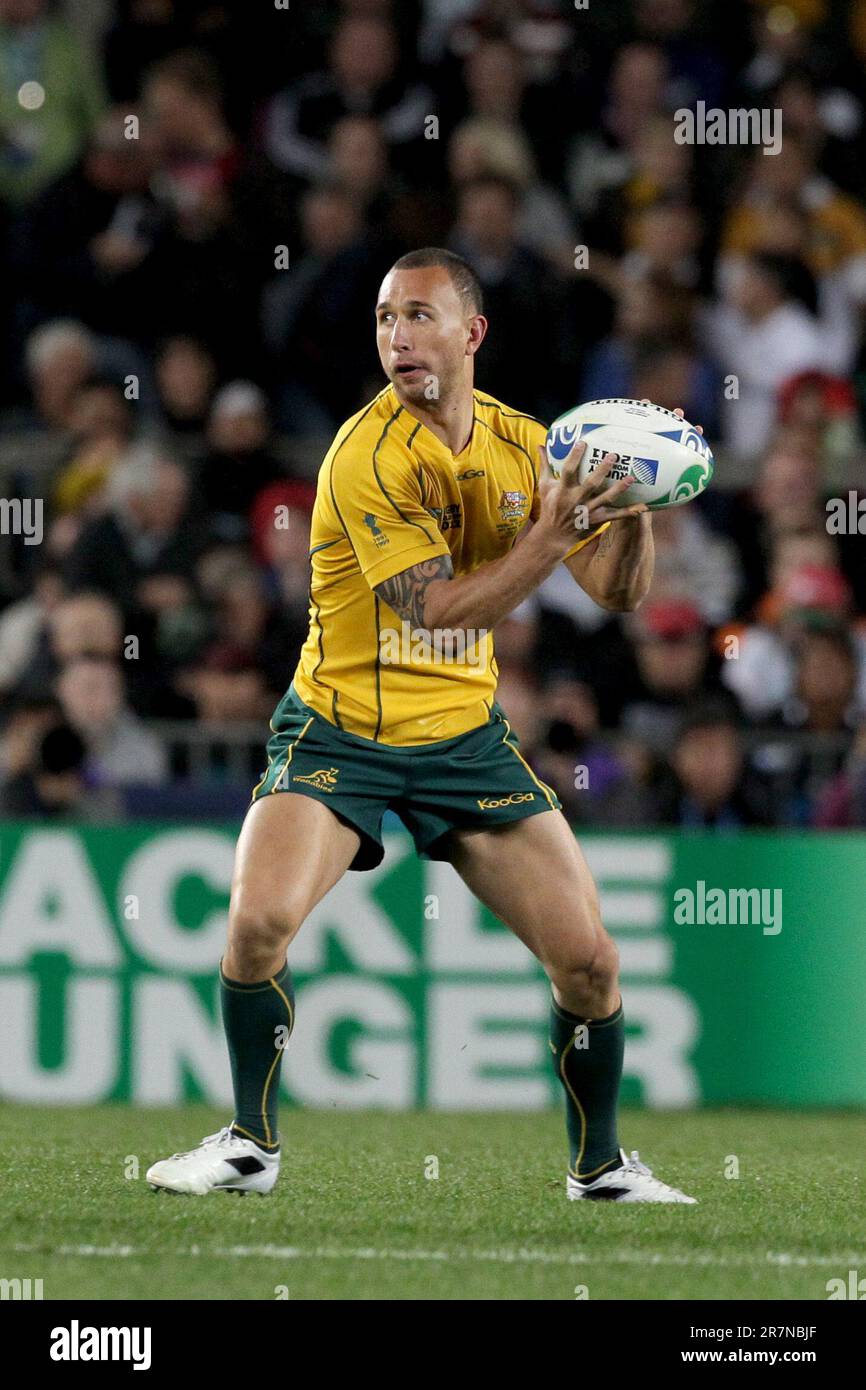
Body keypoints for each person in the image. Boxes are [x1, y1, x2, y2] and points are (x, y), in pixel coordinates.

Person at [147, 247, 695, 1203]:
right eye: (385, 317)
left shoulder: (529, 446)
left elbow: (617, 593)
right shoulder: (364, 456)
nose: (398, 336)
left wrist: (632, 503)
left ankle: (600, 1167)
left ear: (472, 333)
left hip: (463, 742)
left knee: (592, 960)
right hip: (339, 729)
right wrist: (551, 536)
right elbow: (439, 612)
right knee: (257, 922)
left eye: (420, 316)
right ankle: (248, 1144)